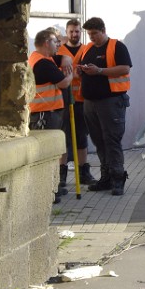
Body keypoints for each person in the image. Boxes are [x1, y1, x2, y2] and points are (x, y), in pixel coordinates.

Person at [79, 17, 133, 196]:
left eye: (94, 33)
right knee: (98, 140)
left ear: (103, 30)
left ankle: (118, 178)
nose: (92, 37)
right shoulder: (87, 48)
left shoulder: (117, 46)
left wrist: (100, 71)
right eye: (89, 34)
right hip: (90, 102)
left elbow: (125, 68)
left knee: (111, 140)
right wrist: (82, 70)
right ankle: (106, 177)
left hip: (111, 101)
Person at [28, 29, 73, 204]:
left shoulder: (40, 58)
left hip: (48, 111)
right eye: (56, 43)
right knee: (47, 153)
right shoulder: (43, 64)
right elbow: (63, 82)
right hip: (44, 113)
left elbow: (59, 58)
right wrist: (70, 74)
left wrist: (66, 59)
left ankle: (54, 185)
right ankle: (47, 190)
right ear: (47, 42)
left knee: (54, 150)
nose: (59, 46)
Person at [57, 18, 96, 189]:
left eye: (77, 31)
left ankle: (83, 172)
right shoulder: (59, 51)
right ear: (67, 33)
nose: (74, 34)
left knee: (81, 137)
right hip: (63, 101)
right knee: (64, 138)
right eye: (71, 31)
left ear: (81, 32)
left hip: (82, 100)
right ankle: (62, 173)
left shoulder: (87, 49)